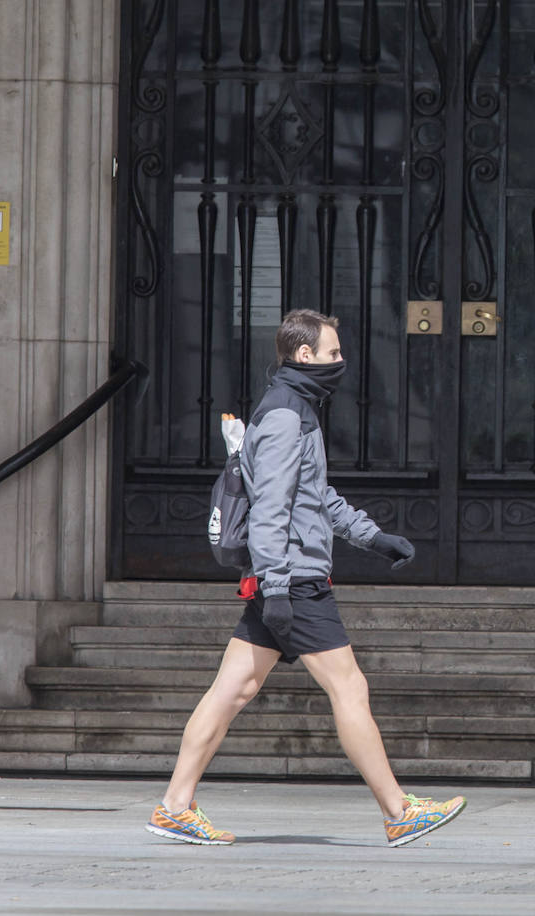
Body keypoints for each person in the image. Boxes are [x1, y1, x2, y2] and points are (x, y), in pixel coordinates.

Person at [145, 309, 466, 847]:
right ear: (304, 355)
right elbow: (271, 509)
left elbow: (315, 497)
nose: (341, 361)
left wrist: (373, 537)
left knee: (234, 689)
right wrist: (275, 587)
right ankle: (399, 811)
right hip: (293, 579)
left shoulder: (300, 411)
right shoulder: (286, 417)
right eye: (333, 353)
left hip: (284, 576)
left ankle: (175, 806)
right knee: (349, 687)